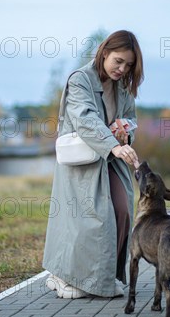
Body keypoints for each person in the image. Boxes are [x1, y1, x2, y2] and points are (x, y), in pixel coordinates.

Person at [43, 30, 143, 299]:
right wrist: (114, 145)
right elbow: (85, 119)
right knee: (83, 221)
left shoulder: (122, 87)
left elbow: (130, 118)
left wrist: (125, 132)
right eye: (118, 61)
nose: (122, 69)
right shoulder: (80, 80)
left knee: (121, 211)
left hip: (111, 159)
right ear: (104, 52)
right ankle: (62, 275)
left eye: (129, 65)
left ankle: (103, 276)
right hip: (83, 162)